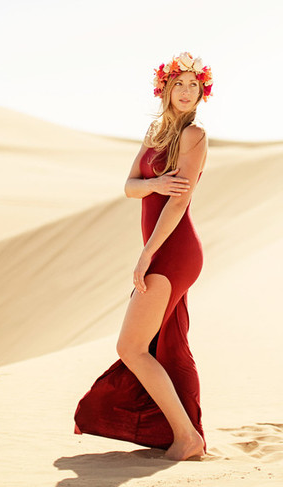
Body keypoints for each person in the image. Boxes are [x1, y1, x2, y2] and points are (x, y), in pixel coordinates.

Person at [74, 51, 213, 461]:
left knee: (131, 347)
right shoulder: (156, 132)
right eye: (179, 84)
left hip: (173, 249)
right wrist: (154, 184)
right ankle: (184, 434)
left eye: (194, 85)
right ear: (166, 89)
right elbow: (130, 187)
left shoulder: (194, 136)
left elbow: (177, 203)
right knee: (161, 345)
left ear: (202, 91)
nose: (187, 92)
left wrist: (146, 255)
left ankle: (187, 437)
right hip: (159, 249)